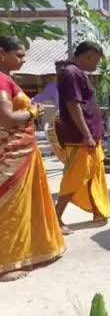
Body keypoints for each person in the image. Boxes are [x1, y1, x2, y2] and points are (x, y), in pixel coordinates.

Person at [0, 35, 65, 282]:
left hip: (22, 152)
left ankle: (29, 251)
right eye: (19, 55)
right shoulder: (1, 81)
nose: (24, 60)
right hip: (11, 156)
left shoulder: (7, 80)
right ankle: (5, 264)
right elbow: (5, 118)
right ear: (1, 53)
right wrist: (32, 111)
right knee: (10, 208)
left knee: (24, 205)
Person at [54, 41, 110, 234]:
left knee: (94, 173)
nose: (95, 65)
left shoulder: (79, 74)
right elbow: (73, 105)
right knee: (75, 177)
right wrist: (87, 134)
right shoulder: (72, 73)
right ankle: (56, 218)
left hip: (90, 136)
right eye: (95, 60)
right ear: (87, 56)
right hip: (79, 138)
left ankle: (97, 210)